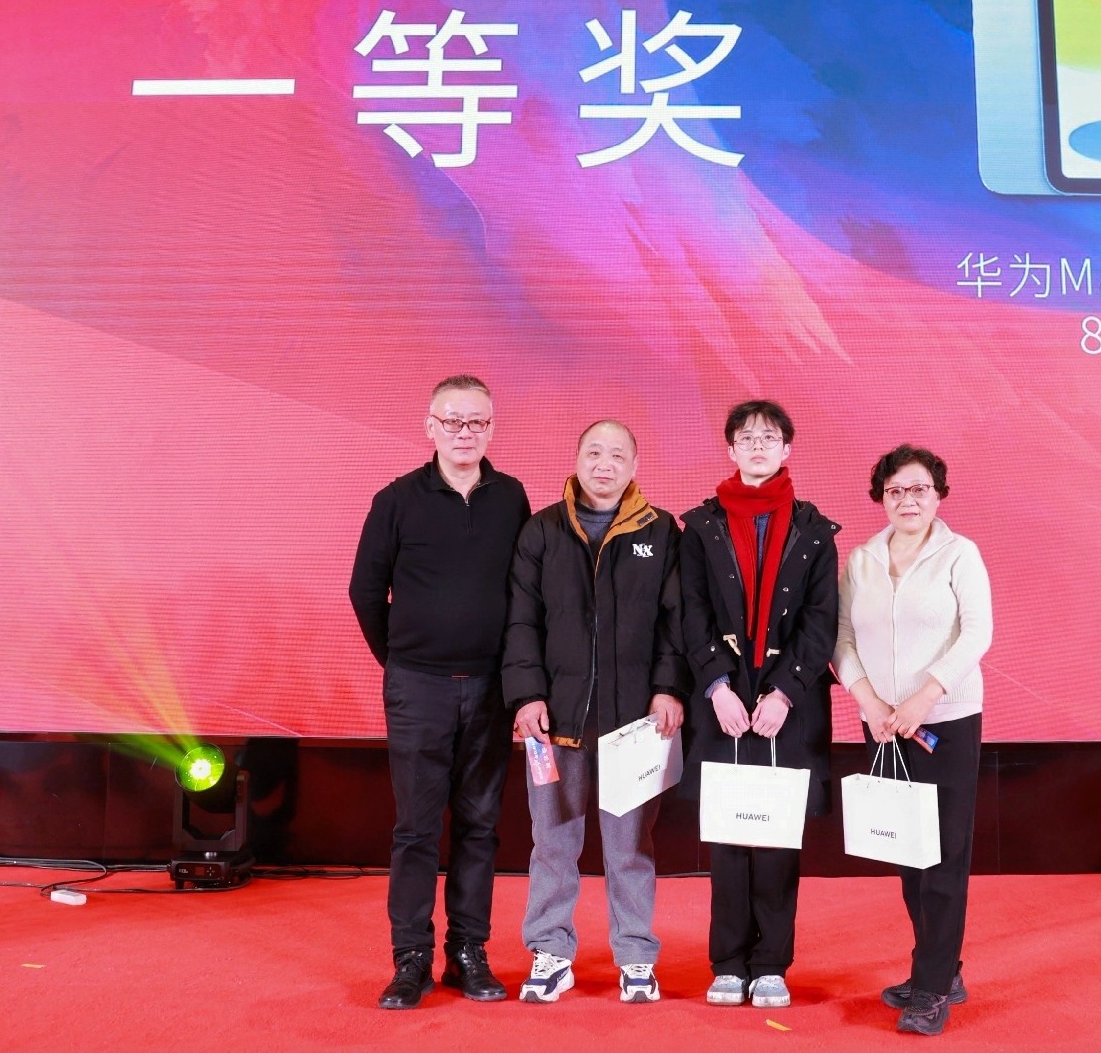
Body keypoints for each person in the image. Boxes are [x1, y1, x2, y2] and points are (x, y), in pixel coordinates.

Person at [349, 375, 532, 1010]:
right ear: (430, 426)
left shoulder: (512, 498)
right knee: (416, 830)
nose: (464, 433)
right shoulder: (396, 499)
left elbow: (524, 593)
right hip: (418, 688)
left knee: (480, 827)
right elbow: (365, 592)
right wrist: (403, 661)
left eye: (476, 422)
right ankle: (411, 960)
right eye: (452, 421)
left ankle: (468, 953)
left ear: (492, 429)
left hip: (490, 690)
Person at [501, 420, 690, 1004]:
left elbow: (676, 622)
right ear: (577, 458)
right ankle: (551, 952)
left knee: (630, 847)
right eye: (594, 452)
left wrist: (668, 688)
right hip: (554, 722)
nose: (604, 464)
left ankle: (635, 956)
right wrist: (526, 695)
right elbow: (521, 620)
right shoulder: (542, 529)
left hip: (635, 723)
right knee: (552, 843)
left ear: (635, 465)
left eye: (616, 455)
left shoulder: (662, 531)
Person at [678, 399, 840, 1009]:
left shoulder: (815, 529)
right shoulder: (701, 526)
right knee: (727, 840)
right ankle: (727, 964)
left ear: (787, 449)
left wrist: (786, 693)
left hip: (786, 709)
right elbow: (690, 613)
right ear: (730, 449)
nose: (757, 446)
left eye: (769, 438)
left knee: (776, 841)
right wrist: (717, 687)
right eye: (746, 438)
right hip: (723, 704)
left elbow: (822, 622)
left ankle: (771, 964)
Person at [833, 445, 992, 1037]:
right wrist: (870, 702)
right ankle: (942, 968)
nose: (908, 500)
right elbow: (840, 638)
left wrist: (926, 695)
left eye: (919, 488)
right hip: (882, 725)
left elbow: (977, 632)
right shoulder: (862, 560)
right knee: (908, 853)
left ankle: (930, 989)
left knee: (944, 857)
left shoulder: (960, 553)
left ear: (938, 494)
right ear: (881, 497)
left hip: (944, 721)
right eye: (896, 490)